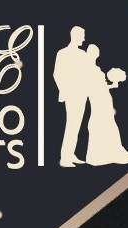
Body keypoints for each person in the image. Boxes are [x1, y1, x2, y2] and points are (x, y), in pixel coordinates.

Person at [80, 45, 128, 166]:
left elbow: (100, 86)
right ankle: (99, 155)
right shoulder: (87, 69)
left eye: (96, 52)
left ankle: (111, 152)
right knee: (100, 123)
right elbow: (91, 87)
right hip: (97, 99)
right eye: (94, 52)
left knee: (108, 123)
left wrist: (113, 84)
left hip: (104, 99)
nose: (96, 54)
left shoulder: (95, 68)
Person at [52, 27, 90, 167]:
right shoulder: (63, 53)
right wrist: (66, 90)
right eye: (82, 36)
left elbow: (87, 73)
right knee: (71, 125)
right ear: (75, 36)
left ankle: (71, 153)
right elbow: (57, 74)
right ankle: (65, 158)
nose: (84, 39)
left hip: (82, 94)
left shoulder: (83, 54)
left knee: (76, 125)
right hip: (71, 94)